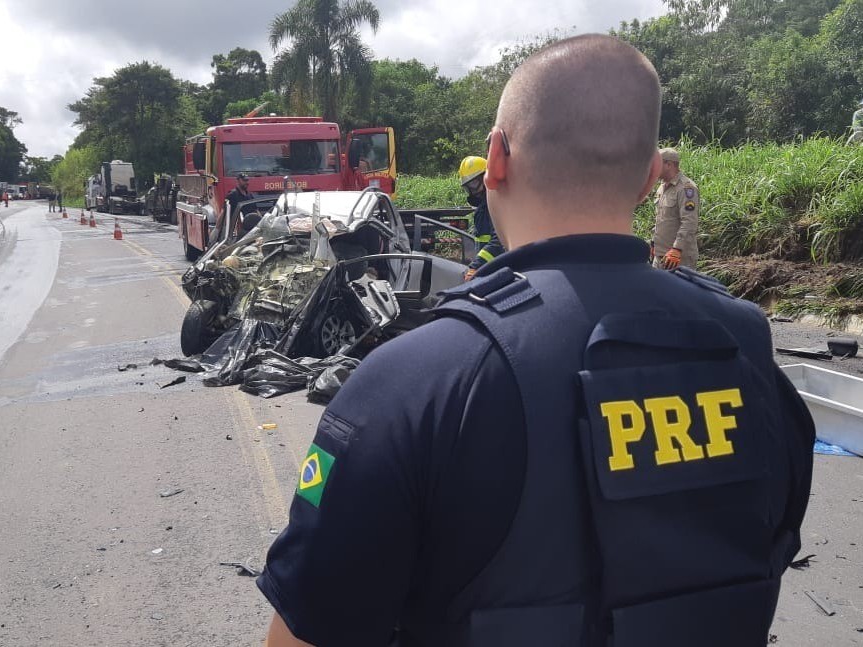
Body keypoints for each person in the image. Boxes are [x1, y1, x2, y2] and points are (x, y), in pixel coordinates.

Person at [258, 34, 814, 647]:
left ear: (495, 159)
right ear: (649, 176)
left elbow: (306, 633)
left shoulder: (413, 381)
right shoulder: (745, 345)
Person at [458, 156, 504, 280]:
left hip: (497, 270)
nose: (472, 191)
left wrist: (475, 266)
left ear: (486, 178)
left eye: (473, 184)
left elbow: (499, 241)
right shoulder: (484, 207)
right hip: (489, 270)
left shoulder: (496, 205)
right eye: (469, 187)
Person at [652, 147, 699, 270]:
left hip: (678, 259)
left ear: (669, 165)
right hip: (660, 256)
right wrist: (653, 243)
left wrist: (677, 249)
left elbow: (689, 222)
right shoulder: (662, 188)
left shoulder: (686, 188)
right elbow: (661, 218)